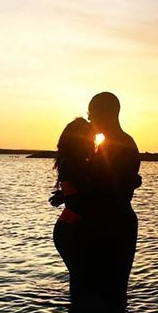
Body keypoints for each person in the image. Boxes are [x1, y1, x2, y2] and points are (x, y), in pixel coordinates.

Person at [86, 92, 141, 307]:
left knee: (109, 295)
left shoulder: (116, 145)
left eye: (92, 114)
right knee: (113, 295)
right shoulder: (115, 143)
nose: (90, 119)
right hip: (117, 222)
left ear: (104, 114)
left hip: (113, 225)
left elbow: (108, 188)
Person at [52, 118, 95, 297]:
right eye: (88, 137)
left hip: (72, 230)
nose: (92, 141)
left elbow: (79, 192)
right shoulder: (70, 163)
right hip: (70, 231)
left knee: (81, 281)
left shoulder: (76, 162)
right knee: (80, 282)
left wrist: (64, 195)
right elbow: (85, 196)